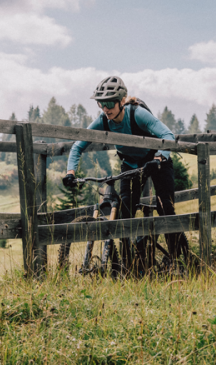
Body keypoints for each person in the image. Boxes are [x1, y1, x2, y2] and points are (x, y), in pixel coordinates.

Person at [63, 75, 181, 255]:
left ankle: (178, 258)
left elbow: (168, 136)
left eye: (110, 104)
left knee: (165, 207)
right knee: (125, 212)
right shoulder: (102, 121)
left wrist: (158, 159)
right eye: (101, 104)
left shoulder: (137, 114)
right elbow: (78, 145)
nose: (105, 109)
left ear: (122, 101)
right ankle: (129, 264)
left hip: (156, 161)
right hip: (130, 164)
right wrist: (70, 172)